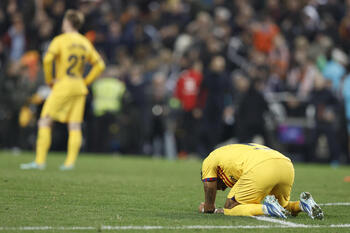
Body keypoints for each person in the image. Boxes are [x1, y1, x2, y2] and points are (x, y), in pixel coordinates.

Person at [20, 9, 105, 170]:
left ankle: (39, 161)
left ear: (67, 22)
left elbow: (48, 59)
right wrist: (86, 81)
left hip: (63, 85)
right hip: (78, 87)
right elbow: (100, 65)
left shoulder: (60, 40)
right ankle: (69, 163)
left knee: (44, 120)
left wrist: (49, 79)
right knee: (74, 125)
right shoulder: (85, 42)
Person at [199, 143, 324, 219]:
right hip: (286, 164)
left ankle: (267, 209)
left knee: (231, 207)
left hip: (261, 167)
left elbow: (209, 186)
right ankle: (302, 205)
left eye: (219, 187)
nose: (222, 189)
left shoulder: (209, 161)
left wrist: (209, 208)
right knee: (283, 206)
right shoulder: (230, 152)